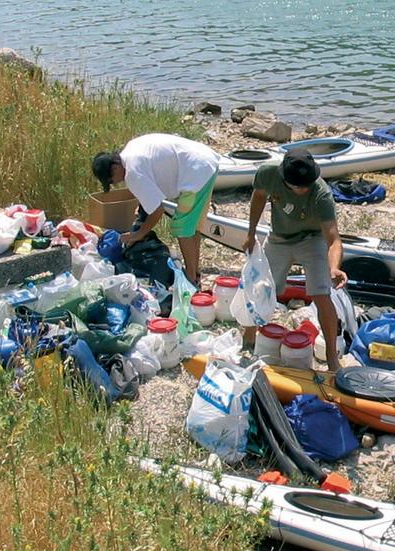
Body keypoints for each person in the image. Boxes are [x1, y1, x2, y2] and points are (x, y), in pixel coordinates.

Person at [243, 149, 347, 372]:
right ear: (284, 178)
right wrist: (251, 233)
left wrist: (334, 268)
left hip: (312, 239)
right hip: (279, 239)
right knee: (262, 289)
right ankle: (248, 342)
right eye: (298, 186)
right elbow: (259, 197)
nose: (303, 189)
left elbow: (333, 239)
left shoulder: (321, 194)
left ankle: (331, 357)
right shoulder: (267, 174)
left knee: (321, 293)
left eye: (306, 185)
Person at [91, 133, 220, 286]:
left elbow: (158, 211)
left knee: (181, 228)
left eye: (111, 180)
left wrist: (138, 234)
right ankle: (195, 272)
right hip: (205, 161)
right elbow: (152, 177)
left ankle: (191, 280)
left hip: (196, 172)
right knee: (193, 226)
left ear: (115, 167)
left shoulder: (132, 173)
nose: (114, 183)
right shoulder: (130, 149)